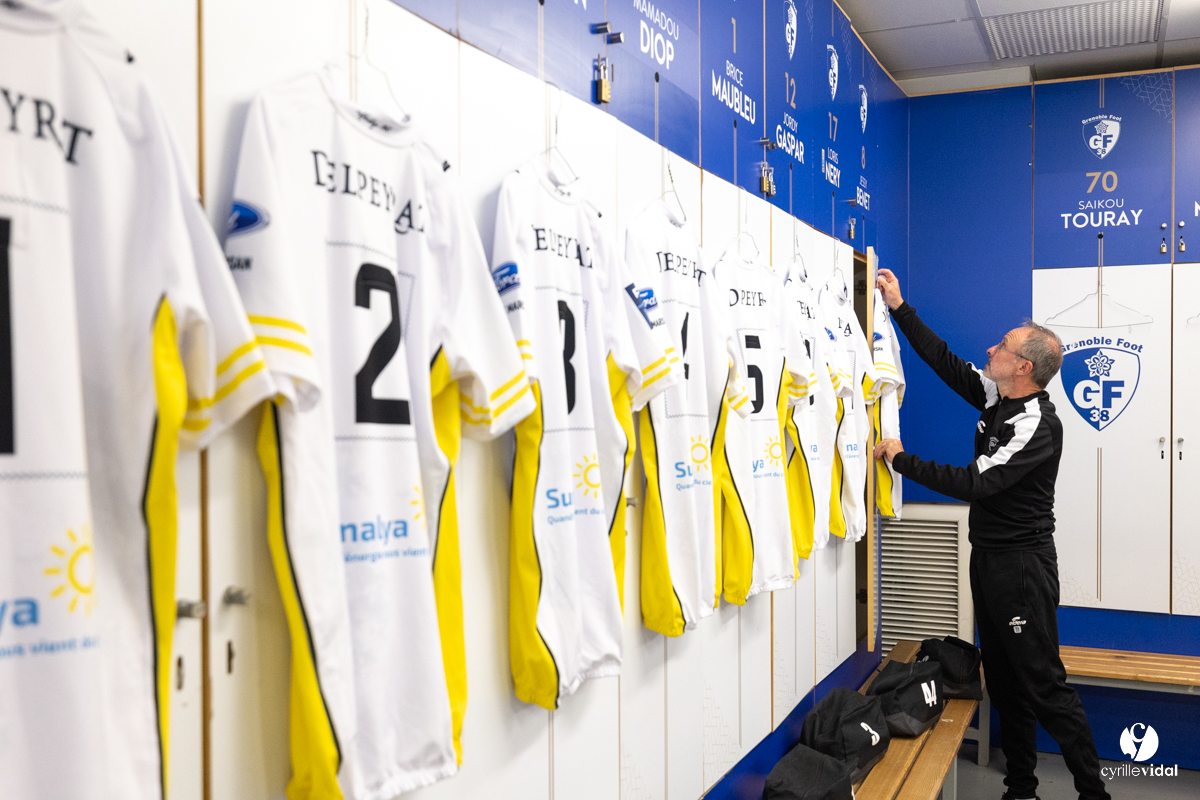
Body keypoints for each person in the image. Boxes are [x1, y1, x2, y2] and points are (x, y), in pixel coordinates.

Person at [872, 268, 1110, 800]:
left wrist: (901, 459)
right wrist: (899, 307)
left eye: (1001, 345)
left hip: (1022, 569)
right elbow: (946, 363)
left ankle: (1096, 794)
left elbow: (974, 484)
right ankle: (1020, 789)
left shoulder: (1037, 424)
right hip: (991, 561)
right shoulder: (996, 398)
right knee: (1003, 684)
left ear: (1023, 366)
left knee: (1045, 686)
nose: (990, 347)